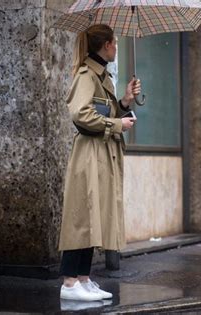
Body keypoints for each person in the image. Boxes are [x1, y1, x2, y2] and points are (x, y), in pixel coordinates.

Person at [57, 24, 140, 301]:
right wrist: (117, 123)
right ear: (106, 45)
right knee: (81, 217)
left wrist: (126, 101)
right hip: (89, 153)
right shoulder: (86, 75)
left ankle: (83, 279)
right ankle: (70, 283)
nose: (117, 47)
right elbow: (80, 115)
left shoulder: (100, 75)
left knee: (93, 217)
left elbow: (106, 110)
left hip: (100, 153)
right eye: (115, 43)